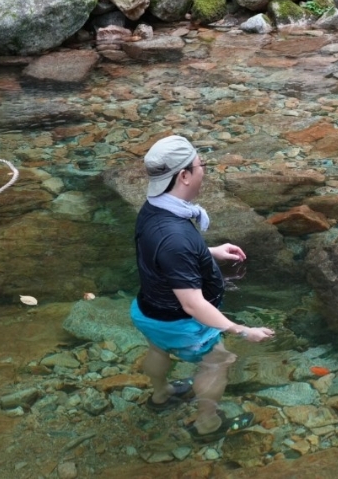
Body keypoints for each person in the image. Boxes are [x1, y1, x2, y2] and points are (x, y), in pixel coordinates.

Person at [130, 135, 275, 443]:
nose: (202, 171)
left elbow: (165, 260)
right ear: (183, 175)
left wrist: (210, 252)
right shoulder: (176, 236)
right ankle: (207, 424)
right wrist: (240, 330)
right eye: (200, 165)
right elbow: (193, 305)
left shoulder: (154, 210)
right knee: (217, 360)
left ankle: (161, 396)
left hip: (146, 311)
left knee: (157, 348)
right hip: (179, 323)